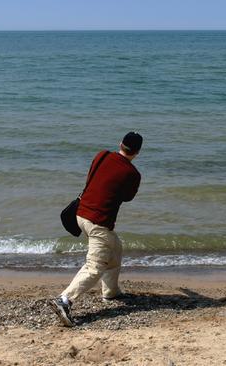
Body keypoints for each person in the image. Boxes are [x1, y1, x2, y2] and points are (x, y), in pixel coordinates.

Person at [51, 132, 143, 327]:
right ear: (137, 152)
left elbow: (92, 177)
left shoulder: (101, 155)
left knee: (115, 247)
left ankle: (111, 292)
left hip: (81, 214)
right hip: (98, 222)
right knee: (94, 266)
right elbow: (128, 197)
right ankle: (64, 300)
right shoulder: (133, 174)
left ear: (120, 144)